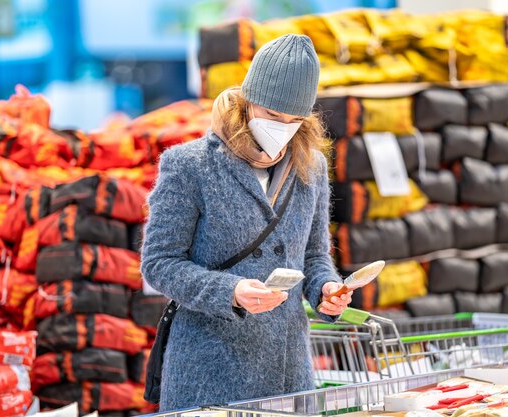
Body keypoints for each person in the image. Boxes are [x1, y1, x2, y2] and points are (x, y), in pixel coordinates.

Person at [140, 34, 354, 411]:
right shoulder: (190, 166)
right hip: (208, 371)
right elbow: (159, 263)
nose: (282, 127)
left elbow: (315, 254)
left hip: (288, 371)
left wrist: (327, 290)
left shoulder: (312, 166)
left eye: (294, 120)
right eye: (272, 115)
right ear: (248, 100)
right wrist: (231, 291)